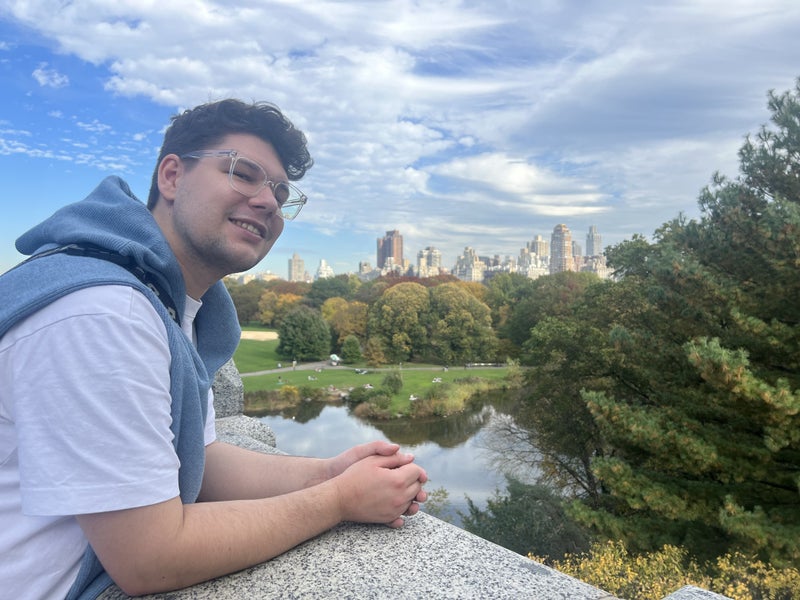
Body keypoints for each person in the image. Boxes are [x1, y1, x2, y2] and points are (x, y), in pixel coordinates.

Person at [0, 99, 427, 599]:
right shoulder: (105, 314)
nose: (268, 202)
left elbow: (198, 462)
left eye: (281, 192)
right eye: (243, 174)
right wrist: (336, 501)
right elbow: (150, 558)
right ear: (172, 176)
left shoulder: (166, 303)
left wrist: (328, 472)